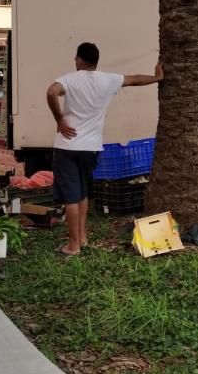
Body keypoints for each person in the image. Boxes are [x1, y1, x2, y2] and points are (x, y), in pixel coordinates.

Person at [46, 42, 163, 256]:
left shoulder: (69, 79)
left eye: (76, 59)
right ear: (96, 61)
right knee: (82, 192)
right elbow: (135, 79)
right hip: (91, 148)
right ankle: (82, 238)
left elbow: (51, 92)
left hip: (67, 146)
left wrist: (60, 119)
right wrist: (156, 78)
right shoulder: (108, 80)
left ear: (80, 60)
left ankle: (73, 246)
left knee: (71, 197)